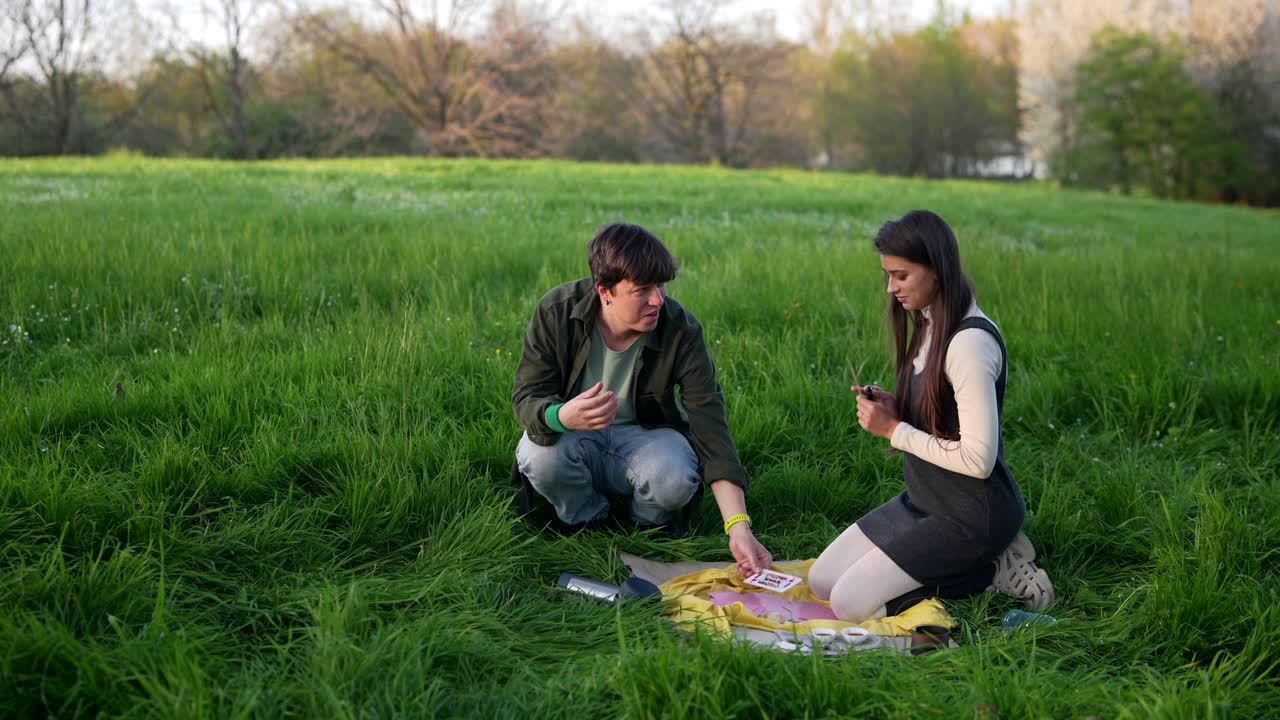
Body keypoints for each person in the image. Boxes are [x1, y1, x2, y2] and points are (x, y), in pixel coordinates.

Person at [809, 210, 1055, 622]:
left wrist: (895, 430)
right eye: (888, 275)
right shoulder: (928, 323)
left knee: (850, 605)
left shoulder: (969, 344)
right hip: (925, 500)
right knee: (822, 581)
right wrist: (896, 409)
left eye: (901, 276)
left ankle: (993, 570)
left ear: (937, 270)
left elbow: (978, 460)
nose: (891, 288)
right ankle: (977, 563)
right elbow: (941, 413)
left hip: (973, 514)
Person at [512, 222, 772, 577]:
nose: (658, 300)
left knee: (675, 475)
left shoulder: (680, 328)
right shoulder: (557, 311)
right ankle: (586, 523)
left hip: (645, 437)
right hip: (573, 434)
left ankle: (649, 527)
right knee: (537, 454)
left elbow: (710, 424)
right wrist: (561, 416)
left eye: (661, 286)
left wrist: (738, 526)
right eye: (642, 290)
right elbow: (526, 397)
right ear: (605, 290)